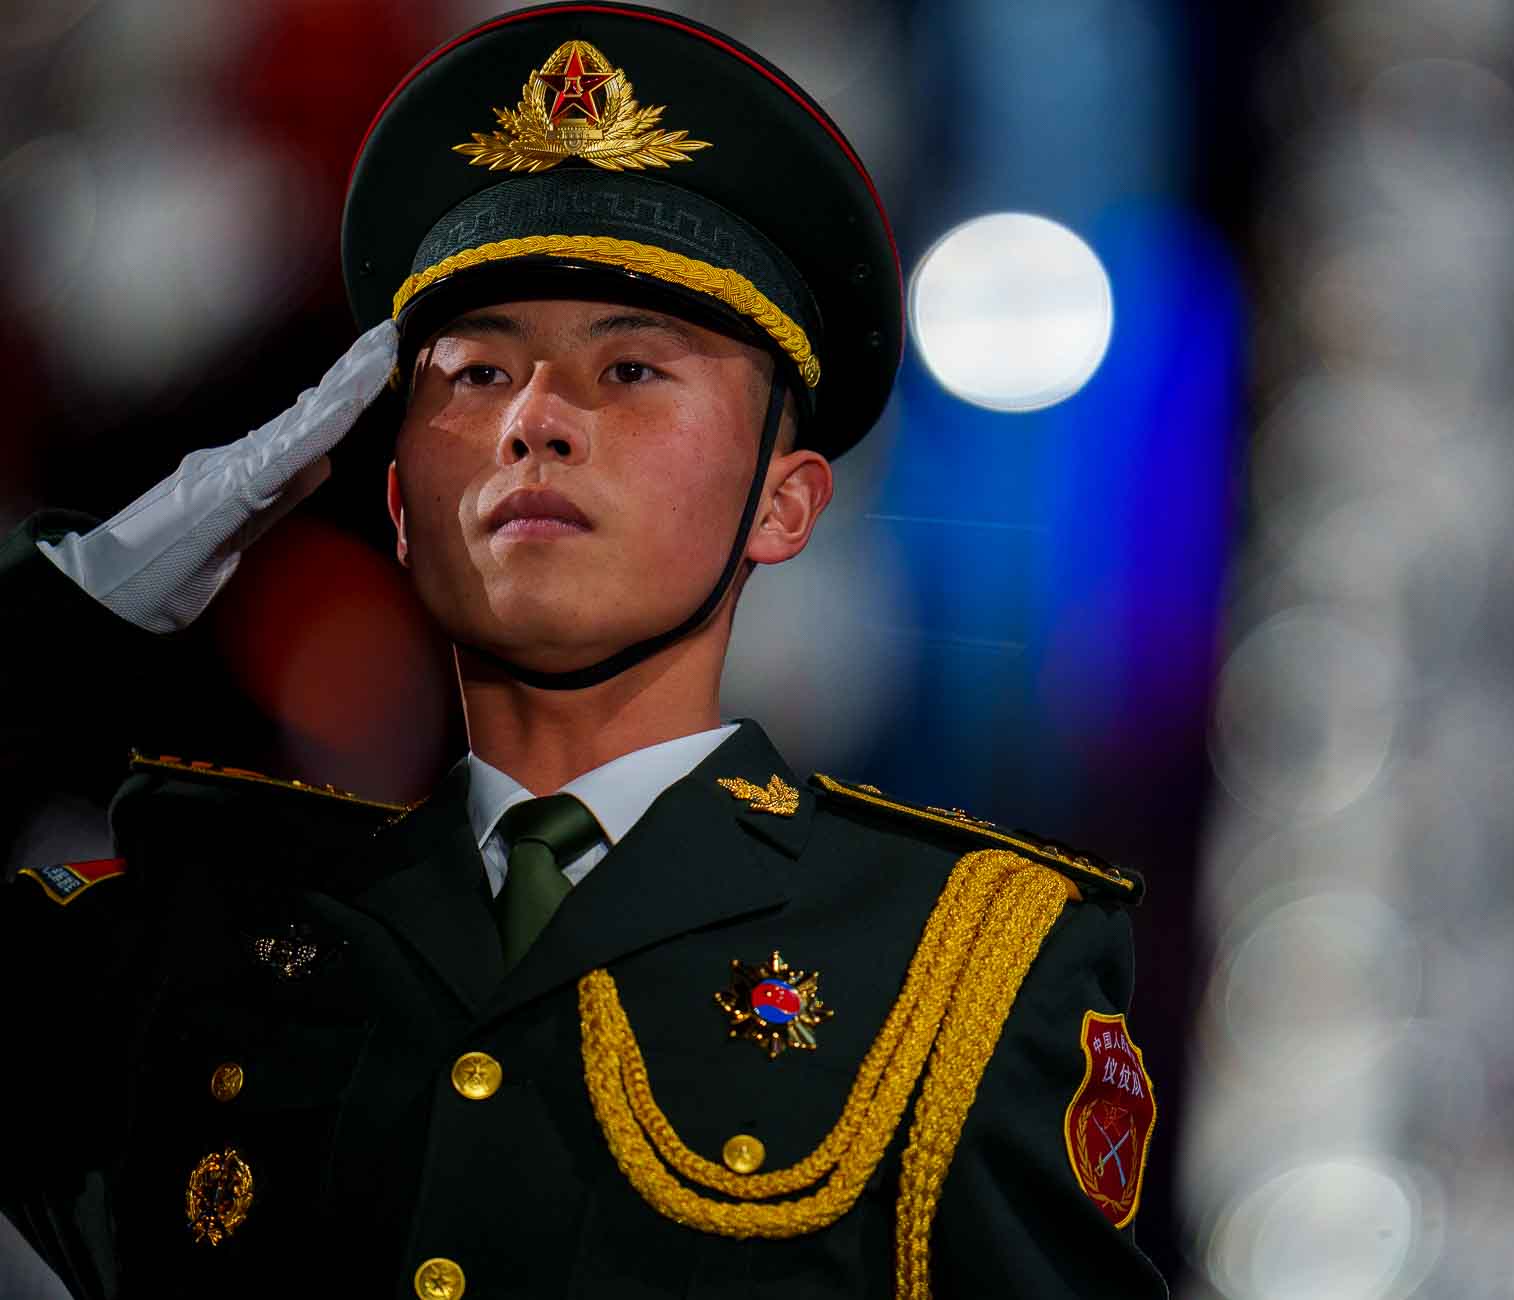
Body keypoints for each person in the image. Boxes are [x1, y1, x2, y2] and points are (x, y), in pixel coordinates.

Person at [0, 5, 1166, 1298]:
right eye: (476, 374)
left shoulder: (969, 972)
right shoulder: (195, 933)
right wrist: (82, 606)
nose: (537, 422)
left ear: (781, 505)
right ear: (394, 500)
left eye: (630, 372)